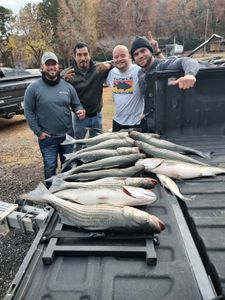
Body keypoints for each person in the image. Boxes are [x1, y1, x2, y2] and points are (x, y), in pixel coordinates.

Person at [24, 51, 85, 187]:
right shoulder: (33, 88)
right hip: (48, 139)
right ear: (42, 67)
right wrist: (38, 132)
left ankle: (66, 193)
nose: (51, 67)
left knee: (68, 167)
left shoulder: (68, 87)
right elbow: (28, 111)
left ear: (59, 66)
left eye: (54, 64)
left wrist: (80, 110)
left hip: (67, 137)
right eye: (48, 64)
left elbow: (76, 104)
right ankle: (51, 197)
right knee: (50, 169)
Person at [130, 36, 199, 131]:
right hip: (150, 123)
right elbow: (148, 96)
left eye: (143, 51)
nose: (140, 56)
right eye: (136, 54)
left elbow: (187, 61)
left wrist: (190, 75)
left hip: (169, 124)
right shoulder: (140, 73)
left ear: (150, 51)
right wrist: (145, 113)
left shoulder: (162, 66)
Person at [106, 32, 165, 132]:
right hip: (118, 122)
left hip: (139, 122)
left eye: (122, 56)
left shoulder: (140, 70)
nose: (119, 59)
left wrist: (157, 52)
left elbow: (163, 67)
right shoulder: (110, 74)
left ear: (129, 56)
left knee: (139, 148)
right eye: (116, 57)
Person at [62, 42, 113, 146]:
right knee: (78, 145)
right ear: (74, 57)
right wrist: (63, 76)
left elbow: (119, 61)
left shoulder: (99, 69)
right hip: (79, 119)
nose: (83, 58)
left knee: (97, 145)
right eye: (79, 55)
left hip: (97, 117)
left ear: (90, 55)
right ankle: (78, 162)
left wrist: (109, 65)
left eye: (85, 54)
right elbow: (55, 78)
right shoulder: (69, 74)